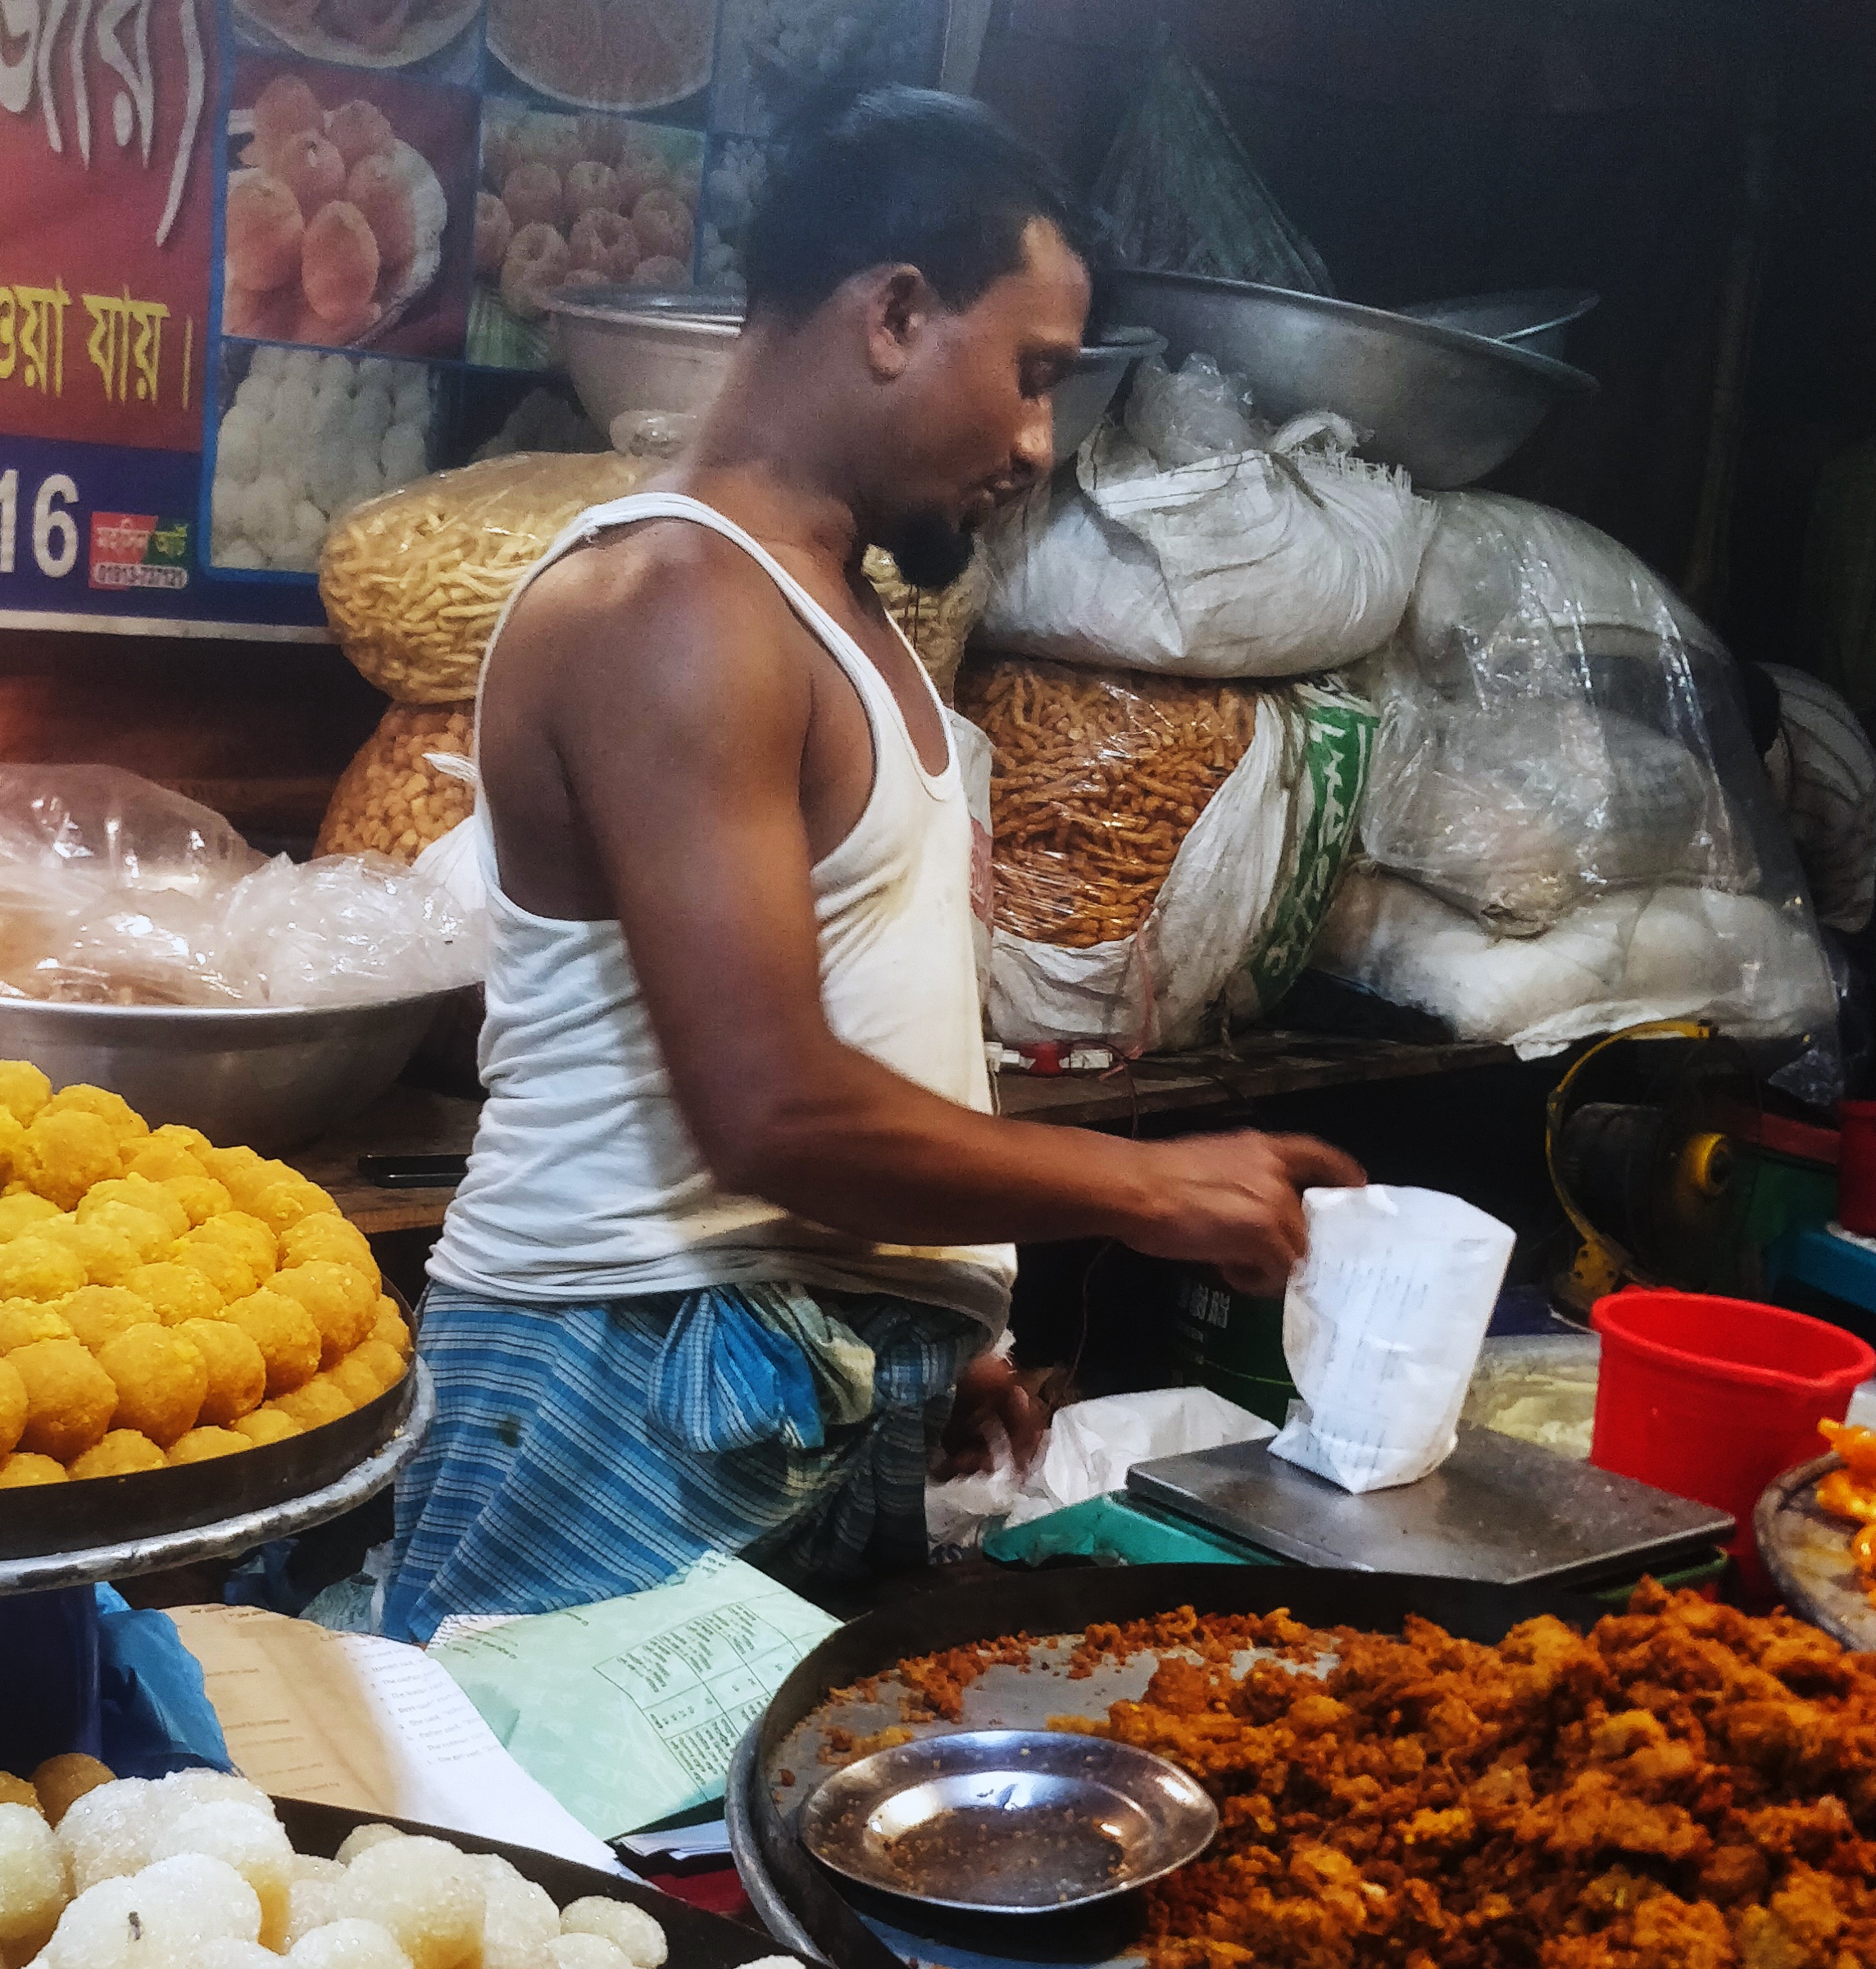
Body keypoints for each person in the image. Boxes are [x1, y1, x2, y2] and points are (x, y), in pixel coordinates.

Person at [377, 89, 1360, 1643]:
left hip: (765, 1367)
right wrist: (1147, 1184)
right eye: (1031, 374)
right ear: (896, 315)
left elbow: (857, 1013)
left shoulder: (835, 611)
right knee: (556, 1799)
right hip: (617, 1377)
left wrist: (920, 1311)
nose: (1038, 443)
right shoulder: (677, 606)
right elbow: (771, 1109)